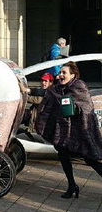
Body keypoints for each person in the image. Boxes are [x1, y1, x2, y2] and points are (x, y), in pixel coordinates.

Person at [35, 61, 102, 199]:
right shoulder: (57, 89)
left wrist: (75, 108)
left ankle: (73, 186)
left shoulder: (79, 87)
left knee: (90, 159)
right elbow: (47, 95)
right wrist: (28, 91)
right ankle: (72, 185)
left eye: (64, 72)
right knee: (63, 155)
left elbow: (87, 107)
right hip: (65, 132)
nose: (60, 75)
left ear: (73, 74)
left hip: (81, 131)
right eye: (60, 72)